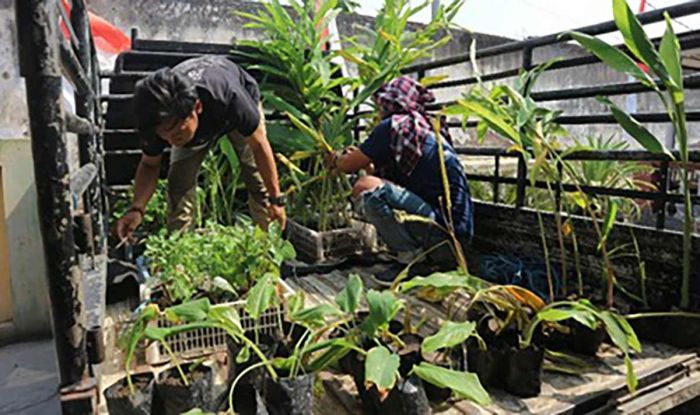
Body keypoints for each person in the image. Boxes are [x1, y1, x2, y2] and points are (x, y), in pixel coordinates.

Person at [115, 55, 286, 241]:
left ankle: (266, 247)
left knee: (258, 181)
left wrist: (276, 199)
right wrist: (137, 209)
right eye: (164, 134)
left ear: (197, 108)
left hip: (232, 110)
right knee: (179, 184)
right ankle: (178, 252)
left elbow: (259, 146)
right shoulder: (155, 124)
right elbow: (149, 165)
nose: (171, 139)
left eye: (175, 130)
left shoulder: (230, 98)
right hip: (196, 126)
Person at [330, 76, 473, 279]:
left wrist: (335, 159)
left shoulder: (394, 126)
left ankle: (412, 260)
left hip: (444, 237)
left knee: (368, 190)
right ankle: (418, 255)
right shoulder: (419, 129)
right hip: (455, 238)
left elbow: (347, 166)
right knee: (372, 185)